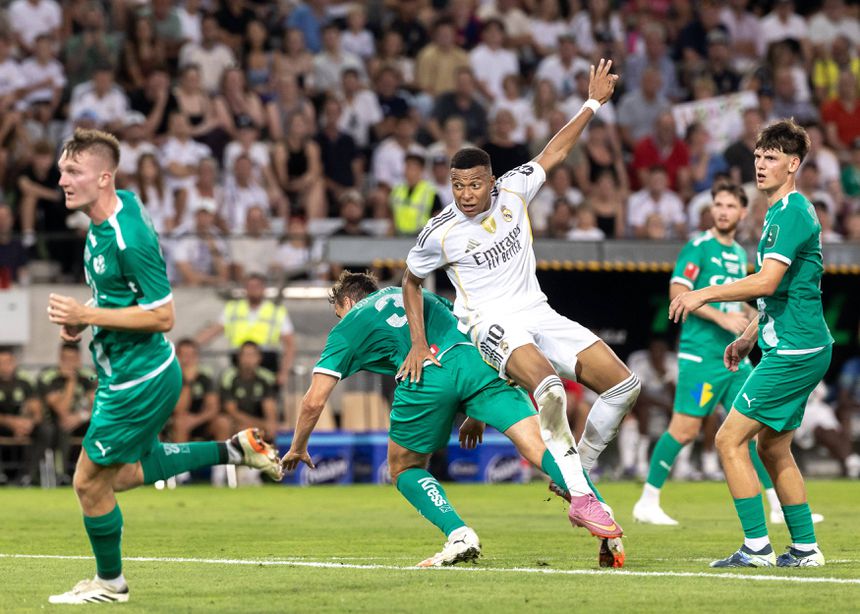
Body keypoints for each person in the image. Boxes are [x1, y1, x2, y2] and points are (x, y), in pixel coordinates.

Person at [399, 60, 635, 550]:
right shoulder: (438, 233)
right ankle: (582, 495)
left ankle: (578, 471)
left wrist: (592, 103)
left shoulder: (514, 189)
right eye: (458, 185)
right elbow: (410, 280)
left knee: (624, 385)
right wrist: (418, 343)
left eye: (474, 184)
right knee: (548, 387)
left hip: (536, 310)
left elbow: (557, 150)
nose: (466, 195)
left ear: (490, 180)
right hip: (488, 324)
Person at [46, 129, 282, 604]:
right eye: (61, 170)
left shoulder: (127, 236)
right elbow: (121, 297)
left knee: (88, 481)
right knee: (129, 474)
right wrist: (81, 323)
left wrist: (87, 315)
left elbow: (164, 315)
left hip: (139, 379)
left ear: (104, 177)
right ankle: (234, 450)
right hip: (129, 372)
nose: (62, 180)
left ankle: (111, 584)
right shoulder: (110, 212)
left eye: (73, 171)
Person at [282, 271, 624, 569]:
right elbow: (470, 330)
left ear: (346, 301)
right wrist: (475, 412)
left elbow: (314, 401)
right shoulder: (416, 295)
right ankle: (599, 510)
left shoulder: (350, 325)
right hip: (478, 363)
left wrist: (297, 447)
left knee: (404, 468)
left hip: (424, 375)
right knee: (540, 446)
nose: (339, 319)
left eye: (337, 312)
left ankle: (459, 534)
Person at [670, 119, 833, 568]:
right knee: (772, 447)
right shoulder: (776, 216)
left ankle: (757, 547)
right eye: (759, 157)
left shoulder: (795, 212)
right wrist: (746, 336)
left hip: (796, 350)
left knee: (727, 439)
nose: (761, 165)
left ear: (793, 164)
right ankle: (804, 548)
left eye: (772, 158)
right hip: (797, 345)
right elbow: (774, 294)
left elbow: (766, 279)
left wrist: (703, 292)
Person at [633, 183, 782, 524]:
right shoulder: (699, 246)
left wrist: (747, 312)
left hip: (733, 358)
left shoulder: (738, 254)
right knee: (684, 430)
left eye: (730, 205)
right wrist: (722, 316)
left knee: (753, 427)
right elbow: (679, 291)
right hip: (700, 356)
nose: (723, 210)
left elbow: (730, 298)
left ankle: (776, 505)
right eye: (718, 204)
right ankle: (648, 501)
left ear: (743, 212)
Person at [196, 273, 295, 386]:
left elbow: (290, 344)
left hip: (267, 363)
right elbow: (213, 331)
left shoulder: (277, 311)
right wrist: (191, 346)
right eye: (250, 286)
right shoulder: (233, 308)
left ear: (264, 289)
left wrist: (284, 371)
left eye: (257, 286)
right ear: (245, 289)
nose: (254, 290)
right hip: (237, 363)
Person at [38, 342, 96, 484]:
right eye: (65, 359)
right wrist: (71, 381)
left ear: (79, 359)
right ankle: (61, 475)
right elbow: (62, 411)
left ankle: (98, 474)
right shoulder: (49, 376)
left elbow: (99, 405)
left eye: (73, 359)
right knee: (62, 427)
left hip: (82, 420)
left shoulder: (89, 376)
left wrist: (80, 417)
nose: (69, 363)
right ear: (60, 358)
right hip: (56, 423)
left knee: (102, 426)